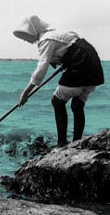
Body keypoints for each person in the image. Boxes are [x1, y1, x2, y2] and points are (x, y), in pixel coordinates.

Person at [13, 15, 104, 147]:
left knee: (57, 101)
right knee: (77, 105)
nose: (25, 40)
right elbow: (72, 47)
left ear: (34, 31)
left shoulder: (46, 39)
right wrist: (67, 61)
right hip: (93, 65)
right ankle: (77, 143)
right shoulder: (58, 34)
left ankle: (61, 143)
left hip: (80, 65)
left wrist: (25, 92)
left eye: (26, 35)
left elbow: (42, 67)